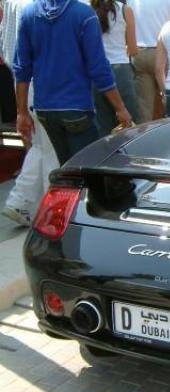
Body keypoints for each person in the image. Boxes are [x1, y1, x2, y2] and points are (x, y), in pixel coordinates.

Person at [13, 0, 132, 165]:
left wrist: (22, 112)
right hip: (77, 106)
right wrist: (120, 108)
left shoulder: (28, 14)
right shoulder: (84, 14)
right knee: (87, 171)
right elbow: (98, 68)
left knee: (67, 168)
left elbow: (22, 68)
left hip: (45, 108)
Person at [1, 0, 58, 226]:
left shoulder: (12, 4)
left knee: (40, 147)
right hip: (44, 82)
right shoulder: (39, 7)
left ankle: (20, 202)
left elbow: (5, 45)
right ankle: (49, 211)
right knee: (52, 150)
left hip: (23, 81)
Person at [91, 0, 139, 137]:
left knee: (103, 129)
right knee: (129, 127)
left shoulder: (89, 10)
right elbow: (133, 49)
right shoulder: (124, 9)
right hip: (120, 70)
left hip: (96, 71)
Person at [128, 0, 170, 123]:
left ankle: (144, 139)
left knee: (144, 108)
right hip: (164, 52)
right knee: (169, 102)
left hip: (140, 53)